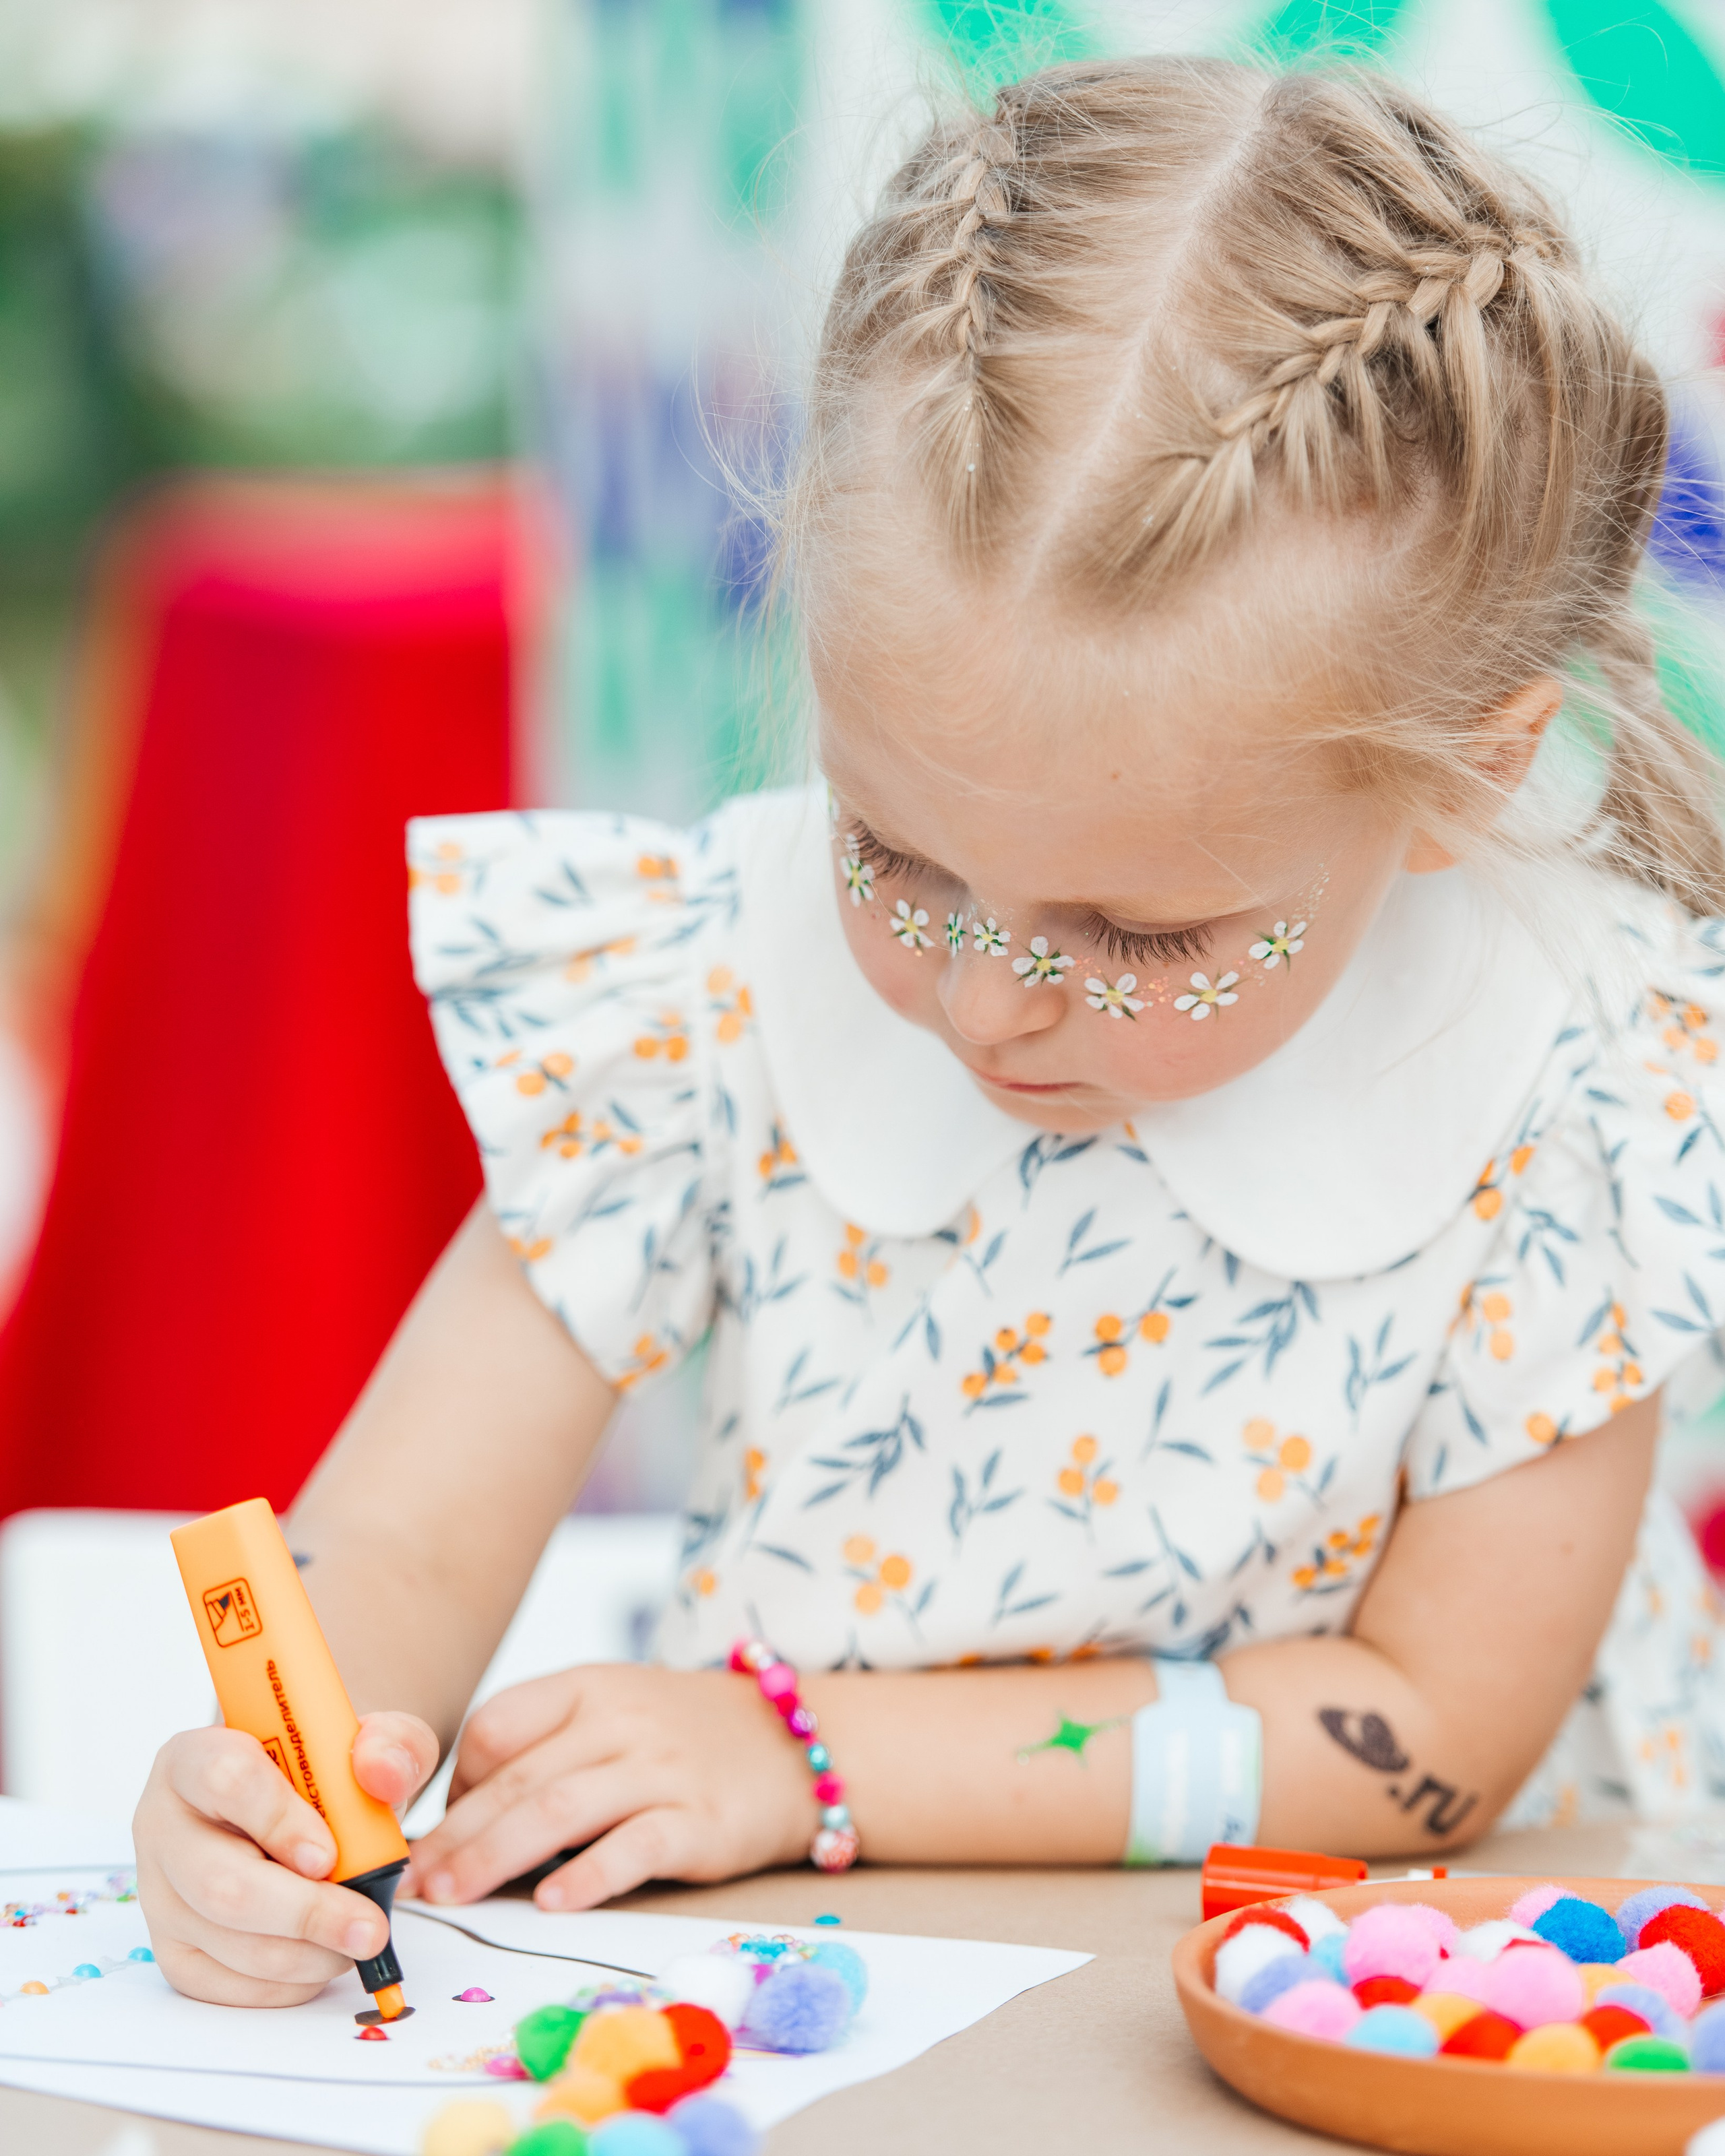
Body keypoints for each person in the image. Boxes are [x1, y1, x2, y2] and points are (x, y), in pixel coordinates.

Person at [137, 56, 1725, 2008]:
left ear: (1468, 771)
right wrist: (283, 1794)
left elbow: (1428, 1734)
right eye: (894, 854)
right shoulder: (715, 984)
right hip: (827, 2012)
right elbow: (400, 1538)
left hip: (1397, 2009)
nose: (984, 1000)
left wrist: (803, 1757)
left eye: (1139, 935)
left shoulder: (1568, 1090)